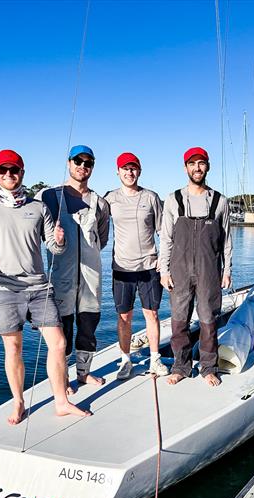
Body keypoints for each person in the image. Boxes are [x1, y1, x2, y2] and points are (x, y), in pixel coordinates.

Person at [0, 149, 91, 425]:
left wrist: (59, 240)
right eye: (3, 170)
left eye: (14, 170)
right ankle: (19, 402)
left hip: (38, 287)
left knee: (58, 343)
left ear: (22, 172)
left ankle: (61, 402)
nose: (9, 175)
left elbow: (54, 248)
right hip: (3, 290)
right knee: (14, 348)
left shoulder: (39, 207)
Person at [37, 145, 109, 393]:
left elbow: (102, 237)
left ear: (93, 167)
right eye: (78, 161)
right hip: (61, 278)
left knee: (88, 326)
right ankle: (62, 378)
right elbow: (32, 231)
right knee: (62, 331)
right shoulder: (48, 196)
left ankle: (84, 373)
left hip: (91, 278)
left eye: (88, 162)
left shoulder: (100, 202)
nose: (82, 166)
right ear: (68, 163)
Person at [159, 147, 232, 387]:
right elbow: (166, 239)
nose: (197, 168)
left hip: (209, 271)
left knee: (209, 320)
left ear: (207, 166)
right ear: (185, 168)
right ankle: (180, 367)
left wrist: (227, 270)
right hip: (179, 271)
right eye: (192, 164)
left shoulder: (220, 202)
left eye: (201, 163)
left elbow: (227, 241)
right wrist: (163, 270)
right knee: (179, 320)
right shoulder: (173, 200)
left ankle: (208, 368)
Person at [104, 152, 169, 379]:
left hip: (149, 267)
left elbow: (163, 231)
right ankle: (125, 361)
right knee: (124, 317)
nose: (129, 172)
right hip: (122, 269)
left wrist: (164, 261)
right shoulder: (110, 199)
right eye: (125, 169)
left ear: (139, 171)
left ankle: (155, 360)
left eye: (133, 169)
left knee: (152, 315)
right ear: (118, 172)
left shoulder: (151, 197)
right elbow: (96, 226)